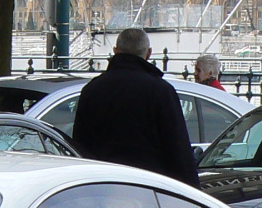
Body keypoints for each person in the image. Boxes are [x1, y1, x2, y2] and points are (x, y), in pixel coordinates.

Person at [71, 27, 199, 187]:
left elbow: (81, 144)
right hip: (149, 185)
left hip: (104, 183)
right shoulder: (161, 90)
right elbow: (177, 147)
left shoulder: (92, 89)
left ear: (116, 51)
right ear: (148, 53)